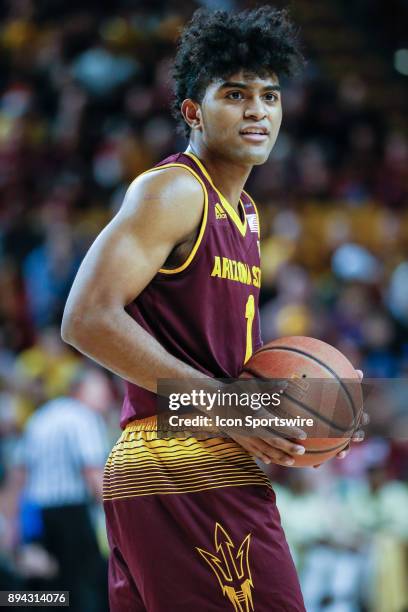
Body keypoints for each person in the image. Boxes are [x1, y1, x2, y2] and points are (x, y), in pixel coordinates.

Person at [61, 7, 364, 611]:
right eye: (235, 94)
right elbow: (86, 318)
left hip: (188, 462)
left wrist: (299, 416)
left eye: (269, 95)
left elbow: (219, 361)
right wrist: (227, 406)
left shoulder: (247, 216)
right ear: (193, 112)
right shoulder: (174, 190)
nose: (257, 110)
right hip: (181, 462)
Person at [14, 366, 111, 612]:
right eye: (100, 388)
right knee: (83, 587)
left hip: (38, 513)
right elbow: (92, 473)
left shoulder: (41, 416)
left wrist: (14, 520)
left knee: (50, 589)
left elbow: (20, 473)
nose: (107, 394)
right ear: (79, 389)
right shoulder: (83, 417)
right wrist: (115, 513)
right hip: (72, 514)